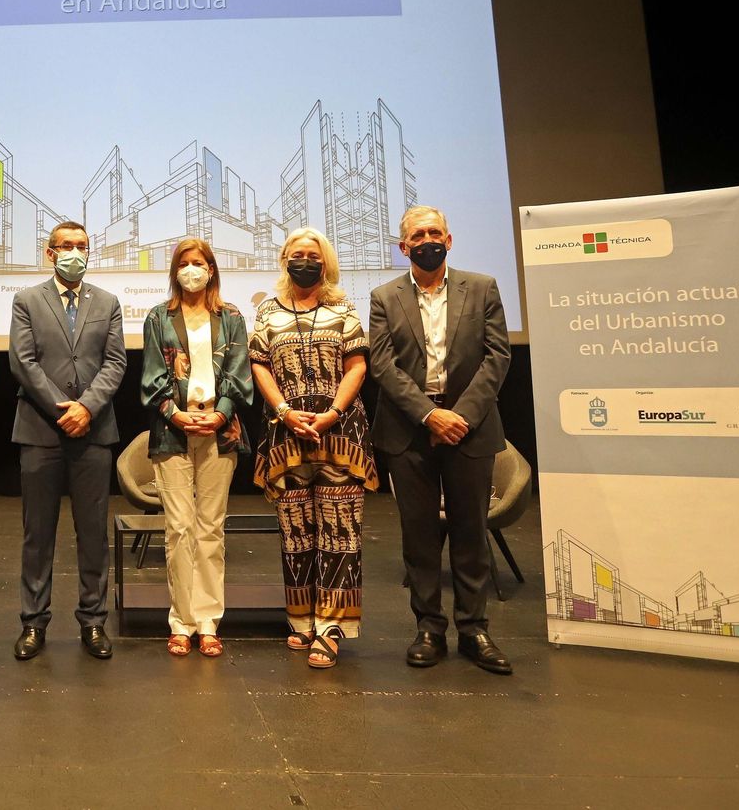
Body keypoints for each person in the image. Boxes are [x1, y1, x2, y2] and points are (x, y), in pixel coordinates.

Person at [368, 205, 513, 674]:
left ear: (448, 241)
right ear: (402, 246)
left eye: (434, 233)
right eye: (416, 235)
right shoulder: (383, 296)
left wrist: (460, 417)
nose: (426, 240)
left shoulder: (484, 287)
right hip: (410, 430)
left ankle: (474, 629)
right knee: (420, 537)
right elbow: (382, 365)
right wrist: (430, 415)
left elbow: (497, 357)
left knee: (472, 532)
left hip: (470, 428)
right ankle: (429, 627)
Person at [250, 228, 378, 670]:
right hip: (287, 437)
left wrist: (333, 414)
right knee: (296, 533)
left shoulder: (343, 307)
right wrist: (285, 412)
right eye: (297, 254)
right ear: (285, 259)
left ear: (325, 262)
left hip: (339, 437)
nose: (305, 261)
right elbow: (259, 365)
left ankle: (331, 629)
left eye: (313, 255)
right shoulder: (267, 311)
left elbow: (357, 365)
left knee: (339, 534)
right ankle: (301, 619)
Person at [9, 221, 127, 661]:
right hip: (40, 429)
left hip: (93, 430)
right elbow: (23, 362)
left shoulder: (109, 302)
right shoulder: (26, 300)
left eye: (82, 246)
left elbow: (114, 363)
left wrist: (86, 408)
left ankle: (93, 622)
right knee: (37, 534)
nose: (75, 253)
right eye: (66, 246)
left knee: (93, 532)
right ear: (50, 253)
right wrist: (64, 408)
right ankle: (33, 623)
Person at [140, 238, 252, 658]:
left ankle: (207, 622)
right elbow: (151, 378)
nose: (192, 269)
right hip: (173, 431)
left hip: (219, 430)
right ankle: (181, 622)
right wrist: (176, 414)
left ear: (212, 268)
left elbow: (240, 376)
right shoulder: (158, 317)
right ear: (175, 271)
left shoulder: (232, 316)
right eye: (184, 263)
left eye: (199, 262)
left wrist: (221, 413)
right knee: (178, 529)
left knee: (210, 528)